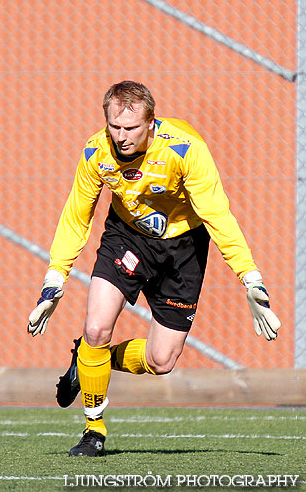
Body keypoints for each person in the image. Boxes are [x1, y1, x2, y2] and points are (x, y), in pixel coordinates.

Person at [27, 80, 281, 457]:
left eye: (131, 128)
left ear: (150, 123)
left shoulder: (185, 147)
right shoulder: (96, 152)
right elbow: (75, 217)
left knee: (162, 361)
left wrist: (251, 278)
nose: (121, 136)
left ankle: (89, 359)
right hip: (127, 238)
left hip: (184, 248)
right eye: (115, 126)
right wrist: (54, 277)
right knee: (96, 326)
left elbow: (217, 215)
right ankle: (93, 431)